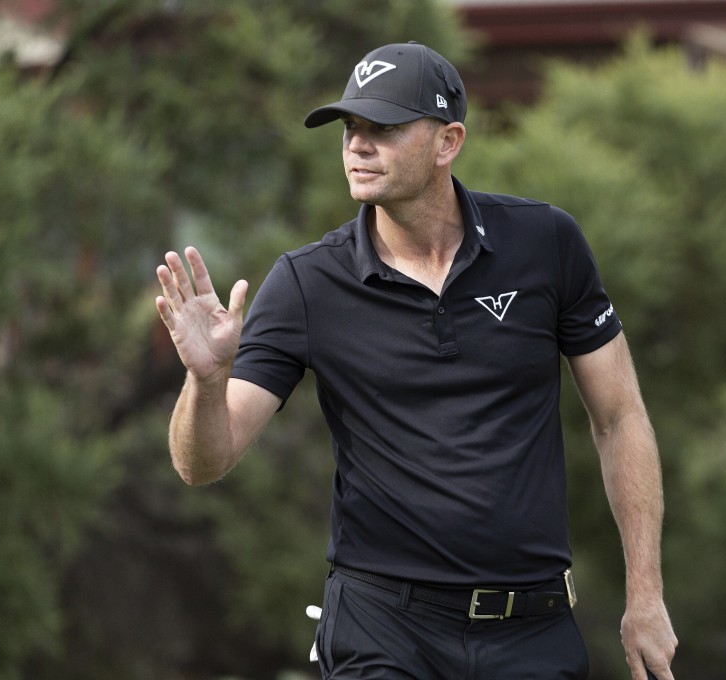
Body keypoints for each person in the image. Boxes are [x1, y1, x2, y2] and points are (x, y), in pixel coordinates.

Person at [155, 41, 677, 679]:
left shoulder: (546, 244)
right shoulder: (306, 283)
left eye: (384, 128)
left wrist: (645, 596)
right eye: (350, 128)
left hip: (531, 629)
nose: (357, 145)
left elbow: (620, 417)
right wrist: (206, 382)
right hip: (381, 628)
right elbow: (203, 462)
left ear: (448, 141)